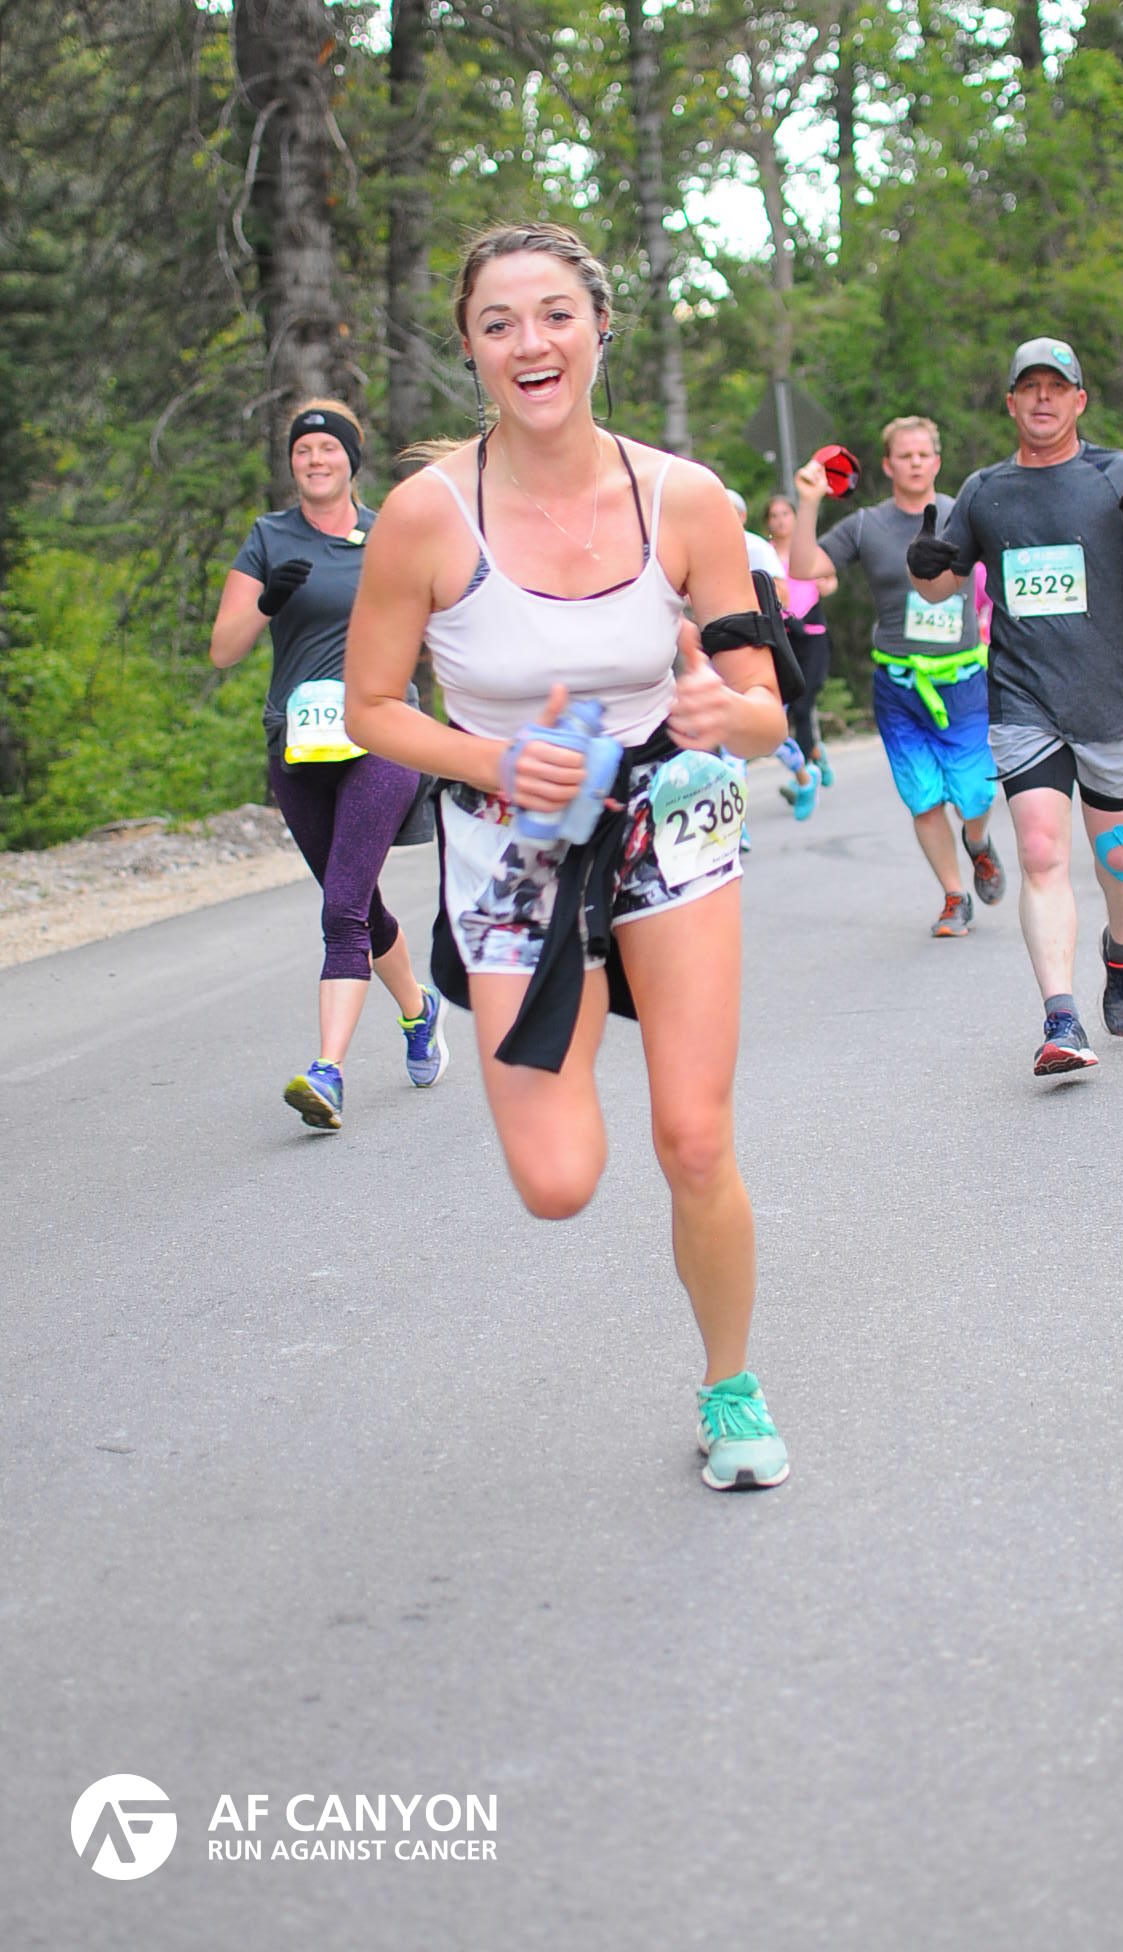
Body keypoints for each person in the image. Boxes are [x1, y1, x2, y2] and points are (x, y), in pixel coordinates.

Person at [342, 221, 790, 1492]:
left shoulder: (683, 498)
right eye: (498, 323)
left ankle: (730, 1387)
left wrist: (724, 714)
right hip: (515, 840)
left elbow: (764, 710)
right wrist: (493, 760)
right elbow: (369, 707)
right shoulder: (425, 517)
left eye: (552, 314)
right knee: (556, 1181)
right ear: (471, 350)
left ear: (598, 327)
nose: (529, 342)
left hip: (668, 815)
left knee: (692, 1137)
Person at [903, 338, 1123, 1076]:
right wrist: (925, 569)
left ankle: (1122, 951)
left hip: (1113, 698)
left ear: (1080, 400)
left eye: (1057, 386)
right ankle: (1062, 1019)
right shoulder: (985, 489)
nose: (1043, 398)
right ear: (1011, 402)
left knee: (1116, 854)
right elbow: (939, 587)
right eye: (1029, 387)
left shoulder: (1118, 473)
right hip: (1023, 698)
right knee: (1041, 850)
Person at [209, 400, 449, 1131]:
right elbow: (223, 649)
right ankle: (419, 1010)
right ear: (292, 463)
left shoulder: (390, 534)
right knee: (358, 903)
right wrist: (268, 600)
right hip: (299, 746)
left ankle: (328, 1072)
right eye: (303, 450)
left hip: (382, 735)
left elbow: (441, 620)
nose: (315, 460)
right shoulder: (268, 537)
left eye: (329, 448)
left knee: (340, 910)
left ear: (352, 459)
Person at [789, 415, 1006, 939]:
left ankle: (977, 841)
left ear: (937, 461)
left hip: (963, 679)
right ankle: (954, 897)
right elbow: (803, 569)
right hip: (900, 685)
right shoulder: (867, 525)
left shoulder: (964, 513)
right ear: (888, 465)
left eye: (923, 454)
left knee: (976, 794)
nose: (915, 463)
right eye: (904, 455)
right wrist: (809, 501)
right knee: (923, 797)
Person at [731, 490, 817, 819]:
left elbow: (782, 596)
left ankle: (805, 776)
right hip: (721, 652)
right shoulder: (701, 547)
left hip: (761, 649)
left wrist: (738, 596)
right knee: (731, 739)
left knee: (769, 732)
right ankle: (737, 827)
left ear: (741, 517)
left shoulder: (756, 548)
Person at [765, 490, 838, 789]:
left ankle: (806, 772)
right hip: (784, 637)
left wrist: (826, 586)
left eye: (786, 514)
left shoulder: (808, 550)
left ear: (795, 518)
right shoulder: (764, 553)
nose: (781, 520)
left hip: (813, 635)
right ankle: (815, 755)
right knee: (793, 706)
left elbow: (831, 580)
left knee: (803, 705)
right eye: (775, 516)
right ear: (768, 523)